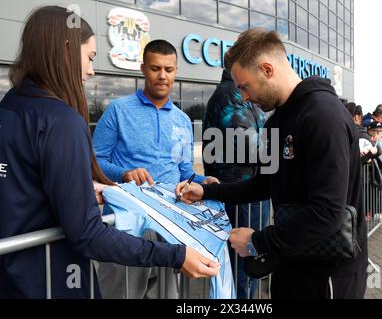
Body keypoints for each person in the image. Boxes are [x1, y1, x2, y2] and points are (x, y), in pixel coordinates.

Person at [0, 6, 219, 299]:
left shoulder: (11, 106)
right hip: (77, 264)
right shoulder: (69, 119)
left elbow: (26, 183)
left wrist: (200, 183)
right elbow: (87, 230)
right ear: (66, 50)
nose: (91, 71)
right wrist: (176, 256)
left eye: (169, 70)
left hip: (19, 275)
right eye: (90, 58)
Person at [176, 28, 368, 299]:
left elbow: (327, 214)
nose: (242, 97)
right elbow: (267, 182)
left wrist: (257, 241)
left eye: (244, 86)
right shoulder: (279, 119)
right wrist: (208, 191)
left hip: (328, 276)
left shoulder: (323, 116)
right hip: (292, 263)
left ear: (267, 69)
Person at [93, 39, 218, 298]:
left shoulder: (183, 120)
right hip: (126, 226)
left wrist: (203, 181)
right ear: (143, 69)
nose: (162, 75)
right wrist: (124, 173)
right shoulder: (118, 110)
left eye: (169, 69)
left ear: (175, 71)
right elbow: (94, 161)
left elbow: (184, 171)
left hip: (168, 227)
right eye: (155, 68)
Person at [203, 69, 270, 299]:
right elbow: (250, 147)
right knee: (242, 260)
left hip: (251, 188)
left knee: (250, 258)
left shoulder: (245, 93)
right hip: (238, 191)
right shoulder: (230, 93)